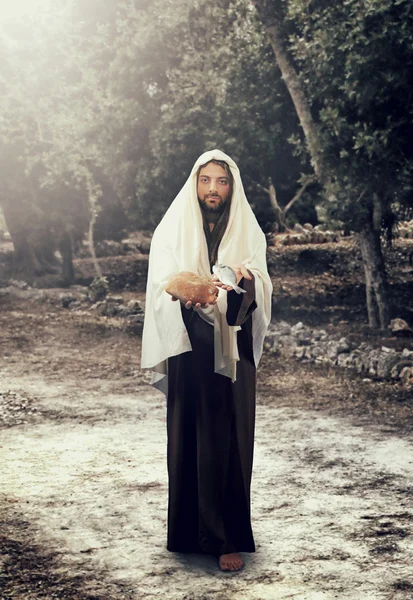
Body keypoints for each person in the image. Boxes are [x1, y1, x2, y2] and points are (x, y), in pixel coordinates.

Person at [141, 149, 272, 572]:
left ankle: (226, 537)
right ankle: (188, 532)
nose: (213, 189)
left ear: (231, 186)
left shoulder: (247, 230)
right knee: (190, 435)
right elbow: (162, 282)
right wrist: (190, 289)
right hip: (190, 347)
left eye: (221, 181)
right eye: (205, 181)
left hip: (233, 348)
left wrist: (244, 281)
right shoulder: (172, 229)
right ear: (195, 184)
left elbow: (261, 284)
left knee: (230, 440)